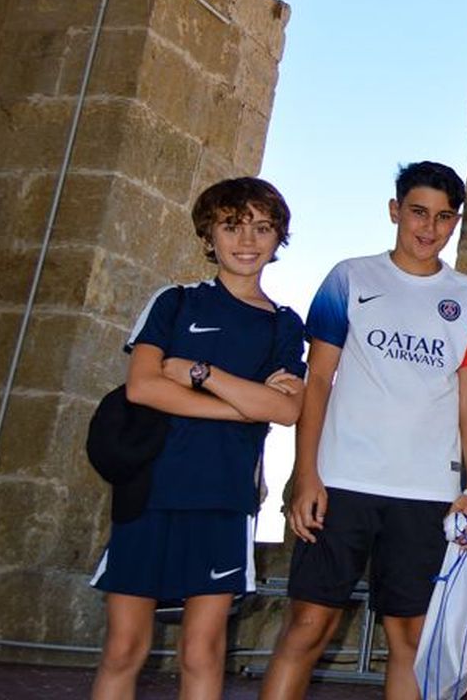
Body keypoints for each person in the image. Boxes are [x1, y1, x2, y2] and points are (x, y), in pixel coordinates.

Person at [259, 162, 467, 700]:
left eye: (443, 217)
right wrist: (306, 474)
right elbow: (317, 380)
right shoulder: (350, 277)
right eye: (417, 212)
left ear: (454, 223)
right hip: (342, 483)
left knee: (410, 638)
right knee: (307, 627)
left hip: (426, 493)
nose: (428, 228)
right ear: (395, 211)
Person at [90, 177, 306, 700]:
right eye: (232, 226)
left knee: (202, 651)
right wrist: (243, 406)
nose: (247, 239)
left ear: (279, 238)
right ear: (208, 235)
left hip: (222, 501)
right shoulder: (175, 302)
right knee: (123, 648)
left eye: (261, 227)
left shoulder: (283, 324)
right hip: (150, 494)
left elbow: (286, 409)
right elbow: (142, 387)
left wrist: (199, 372)